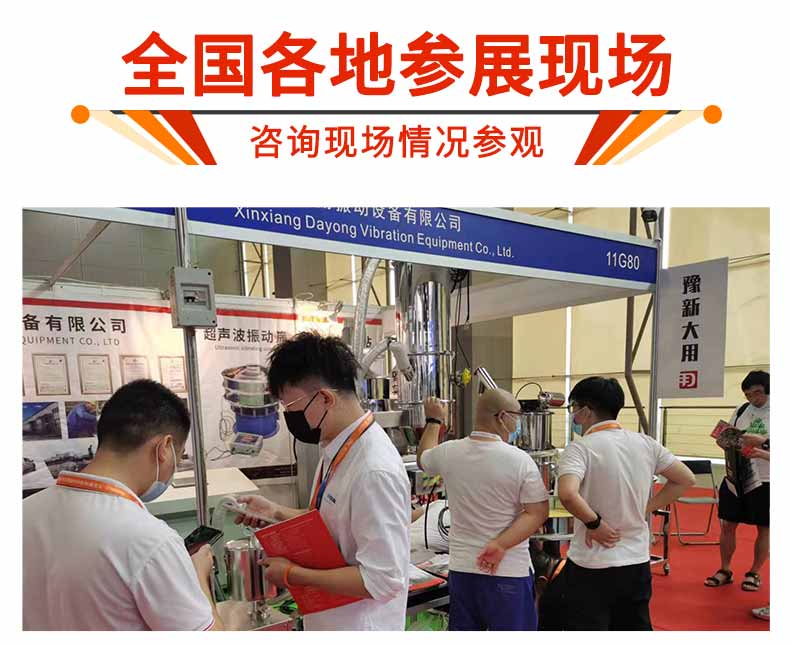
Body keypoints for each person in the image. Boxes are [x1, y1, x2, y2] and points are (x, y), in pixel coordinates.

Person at [235, 332, 411, 630]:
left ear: (326, 398)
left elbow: (383, 580)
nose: (290, 420)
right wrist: (274, 511)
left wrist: (292, 574)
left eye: (291, 410)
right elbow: (330, 521)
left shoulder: (373, 470)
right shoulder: (336, 447)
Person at [23, 380, 222, 631]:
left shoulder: (23, 513)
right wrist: (199, 577)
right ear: (164, 448)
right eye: (179, 457)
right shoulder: (150, 540)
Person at [539, 377, 695, 631]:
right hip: (636, 560)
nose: (573, 416)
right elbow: (685, 479)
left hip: (592, 562)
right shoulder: (645, 443)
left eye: (573, 408)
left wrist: (595, 524)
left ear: (586, 410)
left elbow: (567, 493)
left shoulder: (581, 448)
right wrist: (643, 508)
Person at [417, 389, 550, 631]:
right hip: (508, 571)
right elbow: (538, 512)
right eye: (517, 416)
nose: (518, 423)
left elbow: (422, 458)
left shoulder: (449, 452)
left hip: (463, 570)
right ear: (502, 416)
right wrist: (500, 545)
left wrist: (434, 420)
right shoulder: (519, 460)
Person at [705, 370, 770, 592]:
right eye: (748, 394)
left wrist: (763, 445)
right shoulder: (741, 409)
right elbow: (728, 434)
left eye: (758, 393)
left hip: (766, 479)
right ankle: (725, 569)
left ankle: (754, 573)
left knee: (764, 528)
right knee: (728, 525)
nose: (754, 398)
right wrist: (724, 441)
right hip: (736, 474)